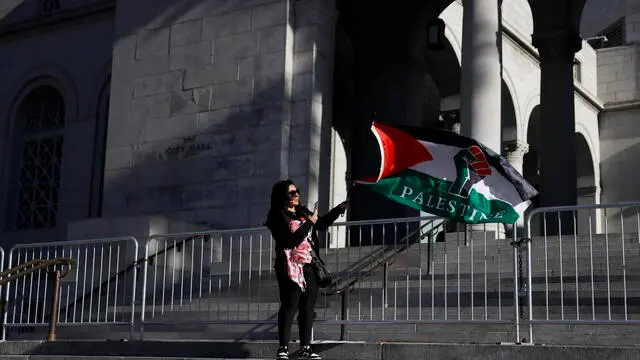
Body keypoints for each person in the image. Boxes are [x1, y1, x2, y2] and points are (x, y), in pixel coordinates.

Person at [264, 180, 348, 360]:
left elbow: (321, 223)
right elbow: (290, 241)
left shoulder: (302, 212)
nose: (296, 195)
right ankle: (283, 347)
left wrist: (338, 209)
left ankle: (305, 347)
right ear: (282, 196)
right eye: (291, 193)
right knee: (290, 305)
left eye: (297, 192)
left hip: (310, 265)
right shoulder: (277, 216)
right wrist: (308, 223)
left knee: (307, 307)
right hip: (290, 266)